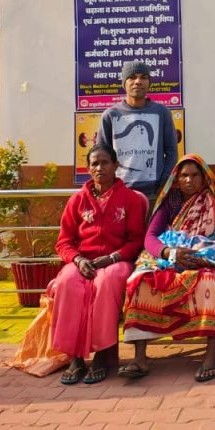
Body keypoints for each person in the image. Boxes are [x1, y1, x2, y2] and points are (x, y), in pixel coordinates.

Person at [119, 154, 215, 382]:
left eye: (194, 175)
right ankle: (140, 358)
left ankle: (212, 354)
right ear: (176, 178)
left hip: (203, 258)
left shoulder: (212, 201)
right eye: (184, 175)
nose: (189, 180)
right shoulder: (169, 202)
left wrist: (204, 256)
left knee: (208, 281)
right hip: (169, 258)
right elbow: (150, 237)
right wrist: (169, 253)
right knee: (139, 280)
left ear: (204, 178)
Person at [50, 144, 146, 385]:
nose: (99, 168)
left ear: (115, 165)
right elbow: (64, 242)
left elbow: (136, 240)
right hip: (84, 261)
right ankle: (75, 357)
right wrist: (78, 259)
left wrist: (113, 257)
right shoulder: (77, 200)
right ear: (88, 168)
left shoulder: (130, 199)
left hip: (117, 261)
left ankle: (103, 354)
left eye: (105, 162)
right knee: (67, 281)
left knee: (106, 281)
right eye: (94, 163)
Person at [97, 60, 179, 204]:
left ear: (149, 82)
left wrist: (163, 184)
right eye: (132, 77)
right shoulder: (110, 115)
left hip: (155, 195)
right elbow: (101, 156)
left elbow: (172, 152)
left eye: (143, 77)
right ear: (124, 83)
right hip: (119, 194)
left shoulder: (161, 112)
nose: (138, 82)